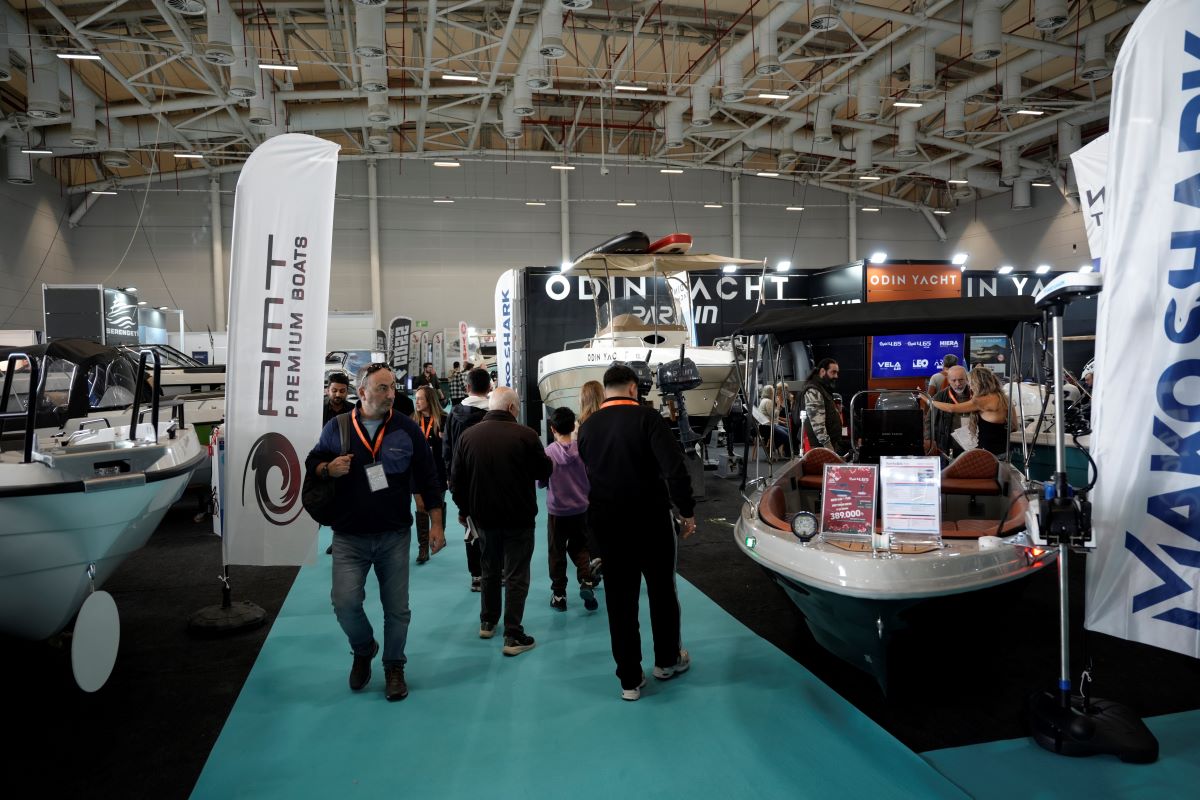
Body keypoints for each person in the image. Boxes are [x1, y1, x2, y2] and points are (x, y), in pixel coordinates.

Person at [305, 363, 446, 702]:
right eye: (383, 388)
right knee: (344, 603)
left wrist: (438, 523)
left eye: (392, 387)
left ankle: (394, 665)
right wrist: (327, 468)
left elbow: (428, 476)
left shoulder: (406, 429)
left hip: (393, 535)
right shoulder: (337, 427)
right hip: (349, 536)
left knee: (397, 609)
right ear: (362, 392)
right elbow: (312, 464)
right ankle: (364, 647)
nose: (391, 393)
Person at [578, 364, 696, 701]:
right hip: (651, 520)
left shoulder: (587, 427)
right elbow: (674, 468)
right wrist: (686, 511)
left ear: (606, 389)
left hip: (607, 523)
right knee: (662, 591)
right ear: (633, 387)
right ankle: (667, 661)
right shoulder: (648, 419)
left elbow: (589, 475)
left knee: (619, 600)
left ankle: (629, 679)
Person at [452, 387, 553, 657]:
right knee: (517, 574)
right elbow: (543, 470)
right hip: (519, 517)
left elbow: (456, 480)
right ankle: (513, 633)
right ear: (511, 408)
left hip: (483, 517)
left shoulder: (467, 437)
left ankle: (487, 621)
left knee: (489, 569)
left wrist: (465, 511)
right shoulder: (526, 435)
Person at [538, 407, 597, 613]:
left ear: (552, 429)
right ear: (573, 427)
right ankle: (586, 580)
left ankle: (559, 595)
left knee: (556, 551)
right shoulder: (583, 451)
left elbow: (541, 482)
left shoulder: (548, 453)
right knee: (580, 547)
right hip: (581, 509)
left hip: (557, 511)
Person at [444, 367, 491, 591]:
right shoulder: (496, 412)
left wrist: (450, 477)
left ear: (467, 387)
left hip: (463, 478)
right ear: (489, 387)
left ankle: (477, 575)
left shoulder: (454, 413)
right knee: (496, 525)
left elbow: (447, 448)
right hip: (492, 479)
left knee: (470, 524)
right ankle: (497, 570)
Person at [929, 365, 1011, 457]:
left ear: (979, 383)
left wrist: (929, 401)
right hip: (1003, 450)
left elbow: (952, 408)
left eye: (971, 383)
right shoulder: (1005, 398)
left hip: (987, 452)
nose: (970, 387)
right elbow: (1013, 426)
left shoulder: (981, 400)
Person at [411, 384, 446, 564]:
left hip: (439, 470)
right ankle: (423, 546)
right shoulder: (412, 421)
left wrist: (444, 439)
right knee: (421, 506)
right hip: (417, 471)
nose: (416, 402)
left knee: (437, 504)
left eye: (420, 399)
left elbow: (452, 447)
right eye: (416, 398)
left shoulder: (444, 419)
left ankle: (439, 532)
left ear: (429, 400)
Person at [798, 358, 847, 455]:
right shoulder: (814, 390)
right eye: (833, 372)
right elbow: (817, 423)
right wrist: (828, 447)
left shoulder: (822, 388)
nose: (836, 376)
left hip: (824, 445)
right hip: (819, 447)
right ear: (822, 371)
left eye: (837, 373)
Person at [928, 364, 973, 459]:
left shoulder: (976, 394)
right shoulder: (940, 396)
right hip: (948, 445)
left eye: (961, 379)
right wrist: (928, 439)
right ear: (948, 380)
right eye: (954, 380)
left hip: (973, 445)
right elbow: (929, 419)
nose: (958, 383)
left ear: (967, 379)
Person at [756, 385, 790, 459]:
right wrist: (778, 405)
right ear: (770, 393)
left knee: (787, 431)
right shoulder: (768, 401)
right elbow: (774, 415)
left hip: (765, 426)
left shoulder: (764, 400)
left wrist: (780, 421)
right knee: (786, 435)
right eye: (773, 391)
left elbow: (771, 417)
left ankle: (785, 453)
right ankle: (770, 449)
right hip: (767, 427)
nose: (775, 393)